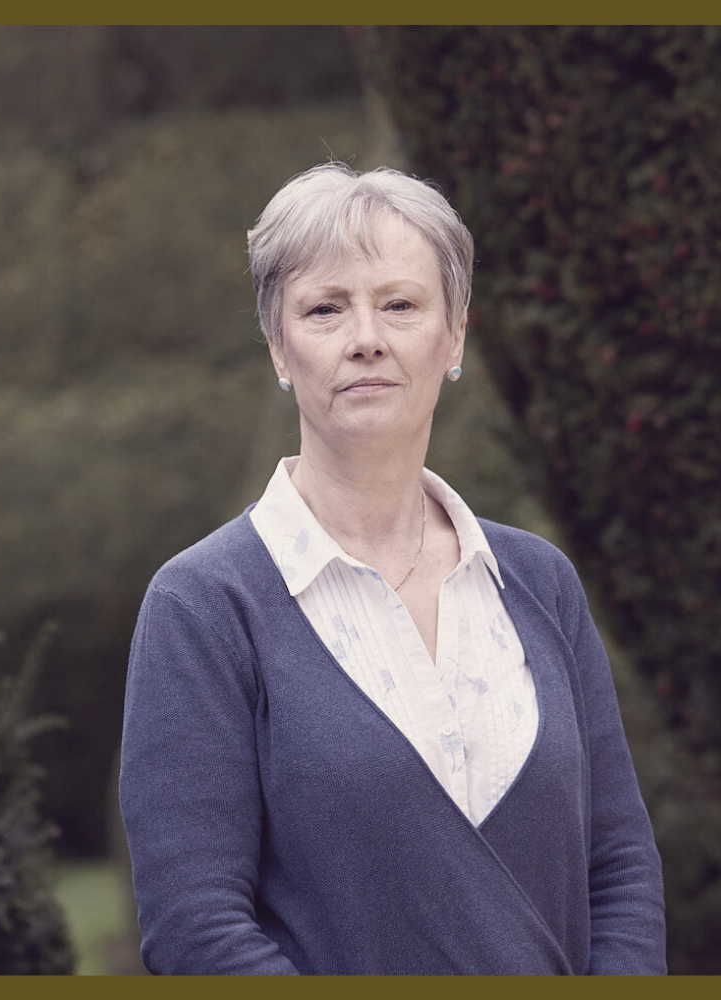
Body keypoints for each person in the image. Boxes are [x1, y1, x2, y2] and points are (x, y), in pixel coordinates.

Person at [118, 162, 666, 975]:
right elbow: (194, 928)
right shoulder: (203, 607)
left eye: (400, 305)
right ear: (278, 344)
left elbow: (620, 869)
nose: (365, 336)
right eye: (325, 308)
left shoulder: (541, 583)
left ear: (455, 337)